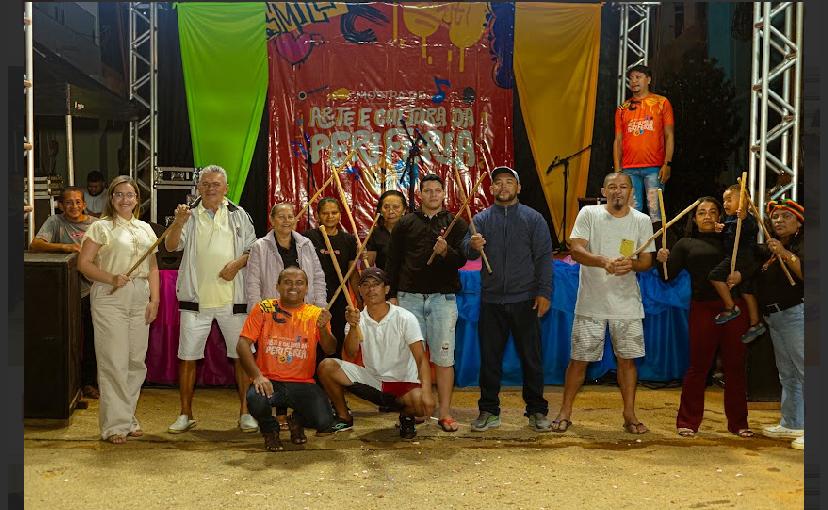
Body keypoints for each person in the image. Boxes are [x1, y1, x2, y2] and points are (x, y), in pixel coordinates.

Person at [552, 172, 653, 434]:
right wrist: (602, 261)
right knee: (578, 360)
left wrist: (631, 264)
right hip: (591, 303)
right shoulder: (589, 213)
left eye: (623, 187)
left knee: (627, 361)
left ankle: (629, 414)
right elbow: (576, 250)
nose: (618, 191)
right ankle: (565, 411)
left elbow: (646, 261)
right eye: (612, 187)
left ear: (632, 192)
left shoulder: (642, 220)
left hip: (627, 304)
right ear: (603, 191)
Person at [164, 165, 258, 434]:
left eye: (216, 184)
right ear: (198, 187)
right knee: (187, 357)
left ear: (226, 188)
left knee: (241, 356)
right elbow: (171, 246)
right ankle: (185, 414)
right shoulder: (187, 214)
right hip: (195, 301)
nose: (210, 188)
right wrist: (178, 222)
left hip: (233, 301)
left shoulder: (239, 214)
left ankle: (245, 412)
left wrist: (236, 265)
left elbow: (254, 249)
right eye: (205, 184)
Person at [461, 166, 554, 432]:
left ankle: (536, 410)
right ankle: (489, 410)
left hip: (525, 299)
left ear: (518, 187)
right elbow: (466, 251)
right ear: (491, 188)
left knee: (531, 359)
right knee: (490, 360)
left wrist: (544, 292)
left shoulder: (533, 218)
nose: (503, 186)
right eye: (498, 182)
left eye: (509, 182)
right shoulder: (480, 219)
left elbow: (543, 259)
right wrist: (472, 246)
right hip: (491, 301)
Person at [655, 197, 753, 438]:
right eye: (701, 212)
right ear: (695, 218)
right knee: (698, 367)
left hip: (735, 308)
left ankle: (739, 423)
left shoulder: (732, 238)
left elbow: (750, 257)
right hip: (703, 308)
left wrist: (741, 273)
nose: (707, 216)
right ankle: (687, 421)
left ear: (720, 216)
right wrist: (662, 260)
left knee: (735, 367)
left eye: (712, 211)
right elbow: (667, 276)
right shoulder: (686, 244)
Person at [77, 175, 160, 443]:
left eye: (130, 194)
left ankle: (126, 416)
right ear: (111, 198)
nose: (125, 199)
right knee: (114, 360)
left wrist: (155, 300)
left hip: (140, 296)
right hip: (110, 297)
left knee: (135, 361)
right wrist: (111, 278)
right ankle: (114, 425)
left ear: (137, 199)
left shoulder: (145, 228)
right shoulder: (100, 227)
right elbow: (84, 264)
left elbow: (153, 267)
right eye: (119, 194)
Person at [385, 174, 467, 432]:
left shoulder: (456, 223)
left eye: (437, 190)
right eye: (427, 190)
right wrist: (391, 295)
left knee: (444, 357)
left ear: (444, 193)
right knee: (412, 358)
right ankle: (416, 409)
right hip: (409, 298)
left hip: (443, 298)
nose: (432, 195)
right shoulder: (405, 223)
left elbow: (462, 260)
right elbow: (393, 261)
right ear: (420, 194)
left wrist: (446, 252)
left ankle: (444, 413)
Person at [317, 268, 435, 440]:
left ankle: (406, 416)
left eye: (376, 284)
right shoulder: (356, 318)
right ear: (359, 290)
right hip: (374, 381)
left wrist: (428, 392)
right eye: (365, 285)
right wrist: (354, 327)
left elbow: (421, 359)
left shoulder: (405, 317)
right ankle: (344, 416)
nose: (371, 289)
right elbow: (350, 353)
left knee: (421, 402)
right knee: (327, 366)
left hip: (403, 383)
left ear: (386, 289)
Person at [237, 267, 346, 452]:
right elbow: (242, 345)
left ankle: (296, 421)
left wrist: (322, 328)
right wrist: (257, 376)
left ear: (307, 288)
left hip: (303, 383)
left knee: (324, 422)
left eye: (299, 283)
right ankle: (270, 430)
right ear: (277, 286)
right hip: (269, 381)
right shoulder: (264, 308)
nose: (293, 287)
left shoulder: (316, 314)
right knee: (255, 399)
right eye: (287, 282)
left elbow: (330, 349)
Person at [735, 199, 804, 449]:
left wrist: (784, 253)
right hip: (776, 317)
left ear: (799, 222)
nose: (779, 220)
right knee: (788, 374)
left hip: (797, 314)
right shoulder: (772, 248)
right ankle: (793, 422)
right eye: (775, 217)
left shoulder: (803, 244)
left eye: (786, 216)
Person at [29, 186, 100, 399]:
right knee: (65, 337)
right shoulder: (55, 222)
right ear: (60, 205)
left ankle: (89, 382)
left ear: (84, 204)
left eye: (78, 202)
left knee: (91, 338)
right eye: (68, 202)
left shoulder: (96, 225)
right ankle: (65, 385)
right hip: (63, 292)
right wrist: (66, 248)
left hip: (91, 290)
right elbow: (35, 244)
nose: (74, 206)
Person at [613, 64, 675, 223]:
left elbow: (669, 135)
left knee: (655, 212)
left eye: (638, 77)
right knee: (631, 213)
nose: (634, 81)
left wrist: (667, 163)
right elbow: (618, 140)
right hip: (629, 169)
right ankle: (631, 241)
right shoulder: (622, 108)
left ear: (648, 79)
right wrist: (618, 171)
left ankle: (657, 240)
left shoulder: (661, 102)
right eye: (631, 78)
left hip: (654, 168)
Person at [707, 184, 765, 343]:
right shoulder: (729, 219)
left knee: (714, 276)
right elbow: (727, 235)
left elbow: (752, 228)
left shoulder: (747, 218)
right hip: (734, 257)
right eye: (724, 200)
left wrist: (744, 216)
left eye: (729, 200)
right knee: (747, 291)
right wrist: (719, 229)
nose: (725, 204)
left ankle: (730, 307)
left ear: (744, 201)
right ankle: (755, 323)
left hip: (743, 257)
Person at [302, 198, 358, 356]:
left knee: (337, 336)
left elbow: (352, 272)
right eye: (325, 213)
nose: (330, 216)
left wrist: (360, 300)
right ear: (317, 215)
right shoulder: (307, 238)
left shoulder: (349, 240)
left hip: (340, 297)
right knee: (312, 336)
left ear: (340, 214)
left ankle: (333, 366)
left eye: (334, 213)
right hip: (314, 296)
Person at [246, 203, 326, 311]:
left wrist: (320, 307)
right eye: (281, 217)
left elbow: (318, 277)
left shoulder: (306, 244)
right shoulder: (260, 246)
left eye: (290, 217)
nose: (286, 221)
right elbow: (253, 283)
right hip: (273, 312)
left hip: (305, 311)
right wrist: (256, 311)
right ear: (272, 220)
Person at [365, 189, 406, 269]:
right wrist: (363, 258)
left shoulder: (412, 231)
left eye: (396, 207)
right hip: (384, 276)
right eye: (386, 207)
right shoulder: (375, 234)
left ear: (404, 210)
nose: (390, 211)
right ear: (380, 210)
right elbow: (368, 266)